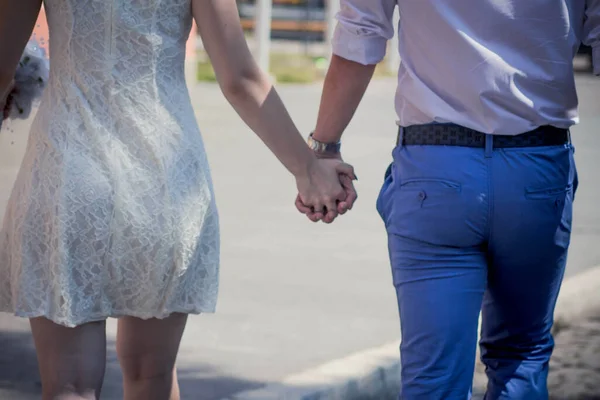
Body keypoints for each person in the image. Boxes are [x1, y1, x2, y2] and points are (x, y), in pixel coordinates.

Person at [0, 1, 356, 399]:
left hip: (67, 171)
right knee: (151, 375)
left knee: (70, 386)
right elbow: (239, 79)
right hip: (164, 177)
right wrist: (308, 169)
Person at [296, 0, 599, 398]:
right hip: (537, 168)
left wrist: (323, 151)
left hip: (437, 170)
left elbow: (362, 32)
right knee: (521, 357)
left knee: (433, 380)